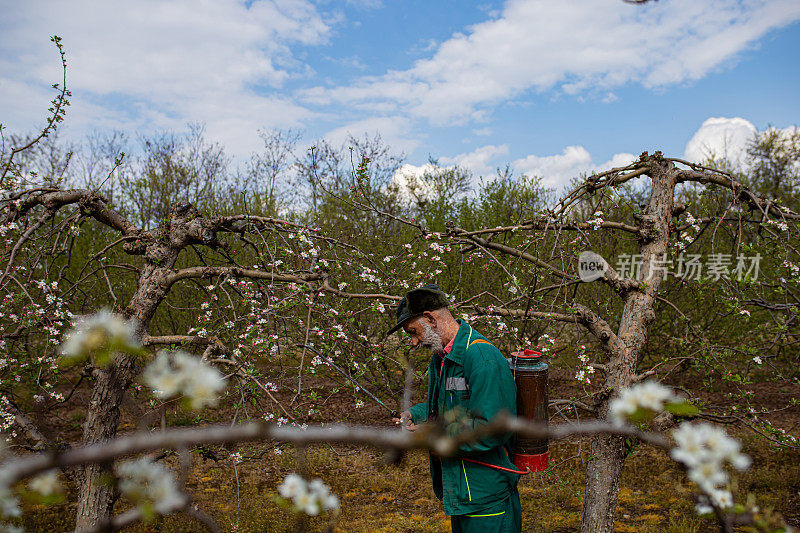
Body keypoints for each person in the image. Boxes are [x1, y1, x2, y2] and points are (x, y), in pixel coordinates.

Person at [389, 284, 521, 533]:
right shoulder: (442, 357)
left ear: (430, 318)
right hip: (462, 493)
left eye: (414, 332)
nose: (414, 342)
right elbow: (445, 405)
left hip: (485, 496)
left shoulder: (481, 357)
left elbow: (493, 427)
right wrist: (415, 415)